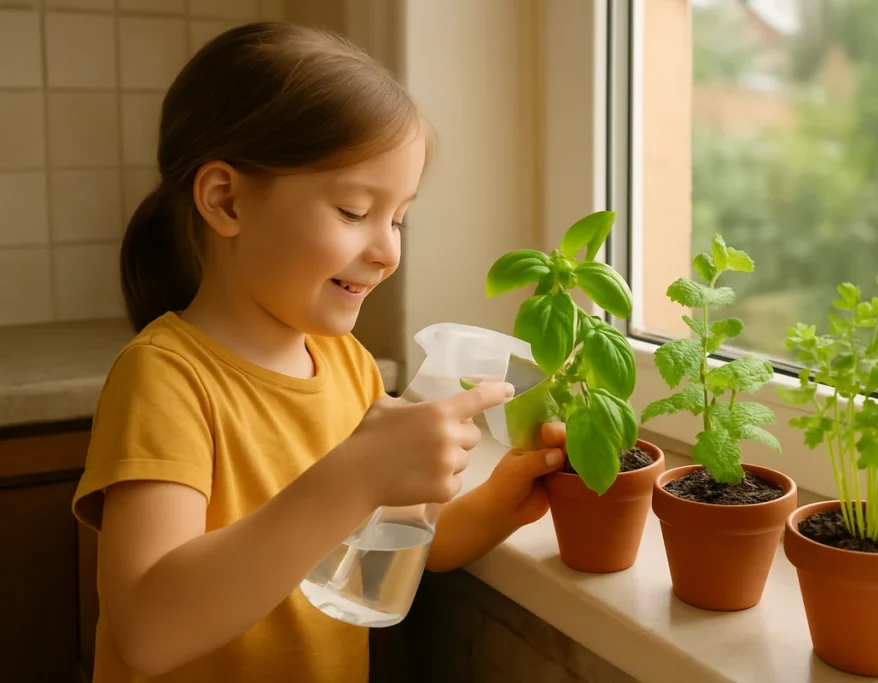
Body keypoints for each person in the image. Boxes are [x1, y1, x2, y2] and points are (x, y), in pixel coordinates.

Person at [71, 22, 566, 683]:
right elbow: (150, 631)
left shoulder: (348, 364)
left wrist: (502, 498)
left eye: (398, 218)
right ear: (226, 201)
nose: (388, 252)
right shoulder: (165, 378)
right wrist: (355, 474)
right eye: (355, 211)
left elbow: (388, 544)